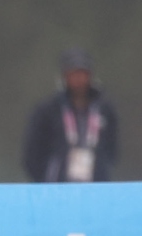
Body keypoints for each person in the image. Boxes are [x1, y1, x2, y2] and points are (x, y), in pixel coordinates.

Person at [22, 48, 119, 183]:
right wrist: (44, 181)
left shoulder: (105, 109)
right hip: (58, 185)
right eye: (73, 73)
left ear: (90, 75)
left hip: (96, 184)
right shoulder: (47, 110)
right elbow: (32, 154)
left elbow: (112, 149)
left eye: (82, 73)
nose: (78, 79)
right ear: (64, 76)